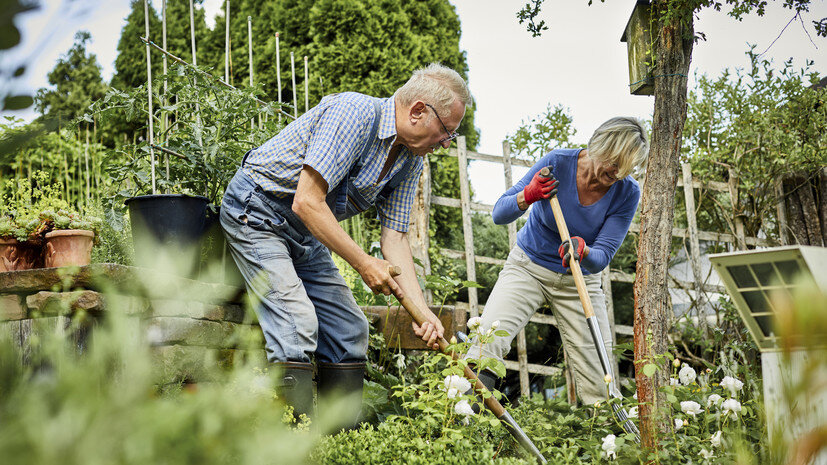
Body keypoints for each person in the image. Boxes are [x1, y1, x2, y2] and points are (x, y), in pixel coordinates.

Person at [219, 63, 471, 425]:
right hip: (258, 212)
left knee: (350, 330)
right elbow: (306, 200)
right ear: (418, 111)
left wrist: (422, 311)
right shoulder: (354, 112)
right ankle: (293, 447)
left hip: (304, 232)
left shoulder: (410, 159)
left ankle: (339, 447)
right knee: (296, 324)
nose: (445, 143)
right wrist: (364, 264)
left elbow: (395, 238)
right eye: (447, 132)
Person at [464, 117, 649, 405]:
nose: (615, 173)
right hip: (529, 267)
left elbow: (601, 258)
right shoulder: (558, 163)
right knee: (488, 338)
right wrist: (528, 195)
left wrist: (584, 250)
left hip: (579, 281)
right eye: (613, 163)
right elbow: (500, 213)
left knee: (599, 373)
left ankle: (606, 440)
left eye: (624, 169)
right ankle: (464, 416)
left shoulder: (627, 192)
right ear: (599, 145)